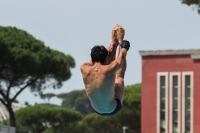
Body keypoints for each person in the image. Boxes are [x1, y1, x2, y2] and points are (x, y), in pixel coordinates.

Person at [80, 24, 130, 116]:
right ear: (105, 58)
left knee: (111, 71)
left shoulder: (83, 68)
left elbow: (94, 61)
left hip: (96, 109)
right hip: (113, 108)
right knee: (119, 76)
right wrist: (122, 41)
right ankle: (115, 41)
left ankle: (113, 41)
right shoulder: (109, 68)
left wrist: (107, 50)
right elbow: (121, 57)